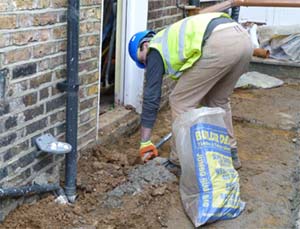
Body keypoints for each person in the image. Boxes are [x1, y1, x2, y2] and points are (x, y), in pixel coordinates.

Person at [128, 12, 253, 171]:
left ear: (144, 45)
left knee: (180, 101)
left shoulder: (154, 48)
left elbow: (151, 97)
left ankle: (178, 161)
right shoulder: (169, 39)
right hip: (243, 39)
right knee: (218, 100)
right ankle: (230, 154)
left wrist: (145, 142)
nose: (147, 66)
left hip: (220, 42)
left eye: (143, 61)